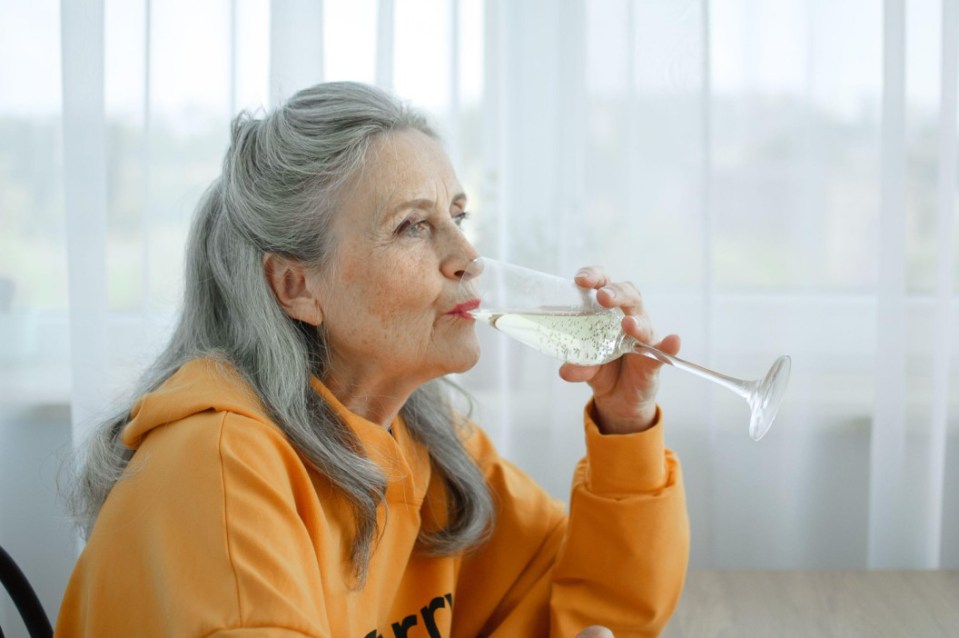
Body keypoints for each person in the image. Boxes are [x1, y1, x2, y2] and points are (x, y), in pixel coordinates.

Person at [56, 82, 688, 637]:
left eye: (459, 215)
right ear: (296, 287)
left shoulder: (419, 440)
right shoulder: (215, 466)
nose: (466, 253)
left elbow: (595, 616)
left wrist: (625, 420)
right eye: (413, 226)